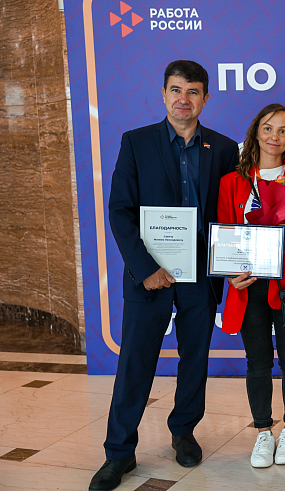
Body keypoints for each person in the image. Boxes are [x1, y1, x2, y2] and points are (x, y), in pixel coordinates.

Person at [91, 60, 239, 491]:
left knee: (195, 358)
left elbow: (231, 213)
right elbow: (120, 210)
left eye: (193, 92)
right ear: (163, 94)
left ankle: (184, 432)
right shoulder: (136, 142)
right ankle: (119, 452)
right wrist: (145, 269)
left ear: (205, 98)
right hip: (149, 273)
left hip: (201, 274)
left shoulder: (223, 148)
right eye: (176, 90)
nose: (183, 99)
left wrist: (233, 263)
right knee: (135, 362)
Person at [216, 104, 285, 468]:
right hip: (249, 287)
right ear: (255, 133)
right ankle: (263, 432)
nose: (274, 136)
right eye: (268, 128)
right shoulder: (232, 182)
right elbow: (224, 237)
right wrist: (230, 274)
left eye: (283, 130)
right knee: (257, 362)